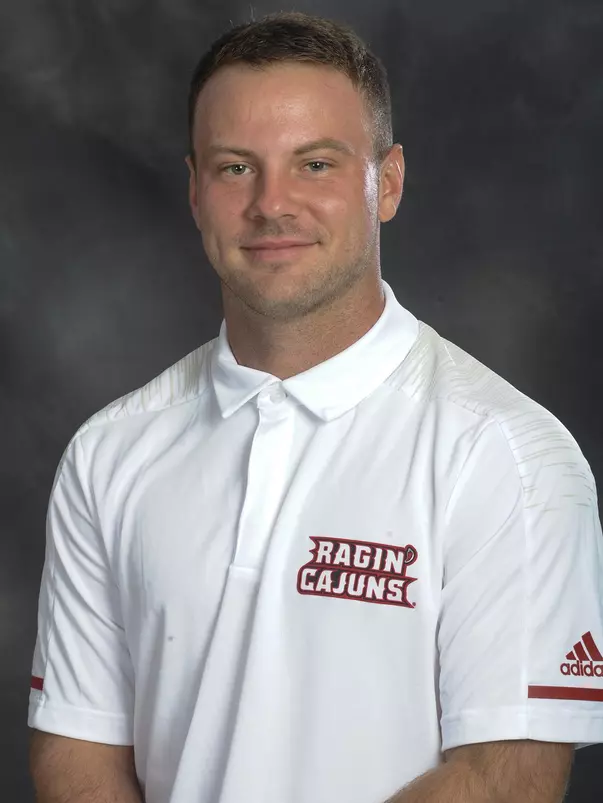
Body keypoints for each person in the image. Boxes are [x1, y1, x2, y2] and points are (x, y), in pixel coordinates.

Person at [27, 10, 603, 803]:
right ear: (195, 188)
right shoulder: (109, 452)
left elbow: (505, 777)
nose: (272, 204)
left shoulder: (507, 454)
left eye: (316, 164)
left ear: (387, 182)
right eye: (235, 168)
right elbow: (77, 749)